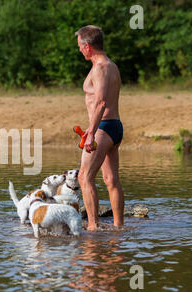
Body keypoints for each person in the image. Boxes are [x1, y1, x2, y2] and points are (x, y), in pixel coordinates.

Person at [75, 25, 124, 231]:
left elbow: (101, 102)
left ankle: (93, 228)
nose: (79, 50)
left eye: (80, 46)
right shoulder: (112, 66)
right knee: (110, 179)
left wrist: (91, 133)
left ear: (88, 47)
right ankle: (118, 227)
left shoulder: (100, 68)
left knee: (84, 177)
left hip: (103, 128)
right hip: (114, 126)